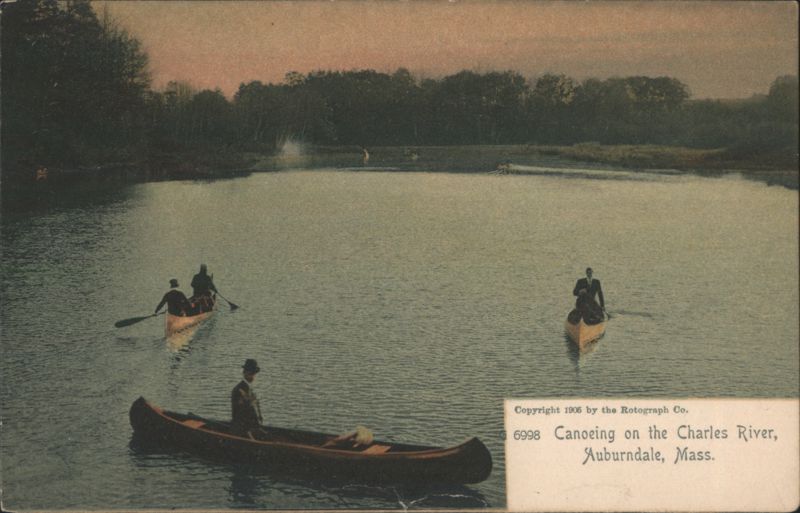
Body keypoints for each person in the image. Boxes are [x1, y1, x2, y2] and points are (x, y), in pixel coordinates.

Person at [231, 359, 263, 438]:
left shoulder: (249, 388)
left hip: (251, 428)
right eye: (250, 373)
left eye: (253, 373)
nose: (252, 376)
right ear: (244, 373)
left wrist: (257, 427)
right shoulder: (239, 390)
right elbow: (241, 416)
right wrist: (250, 436)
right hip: (242, 431)